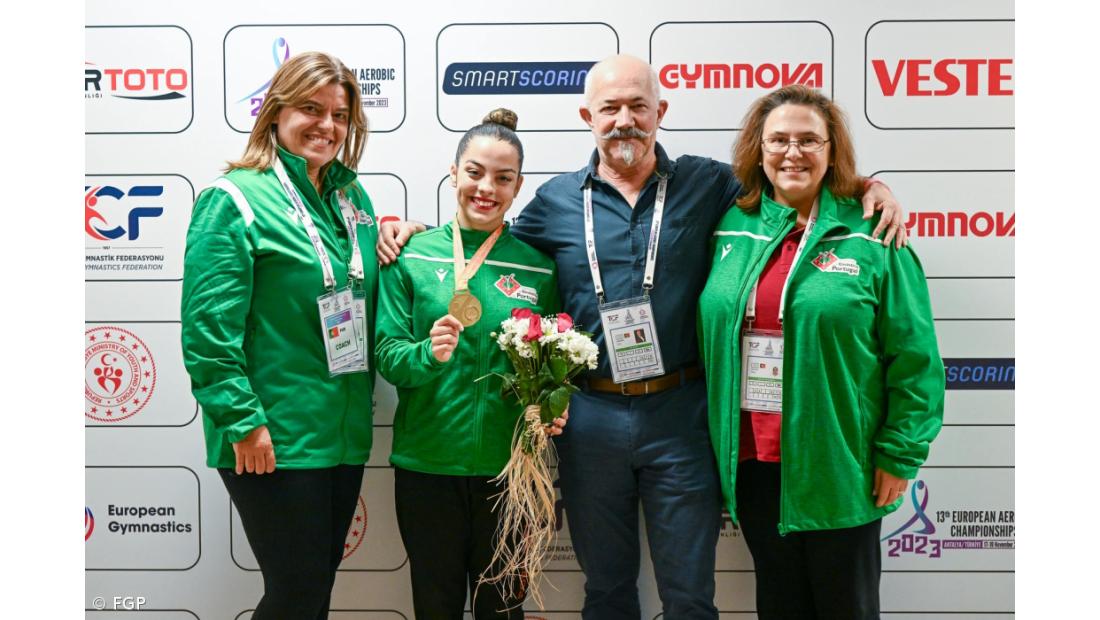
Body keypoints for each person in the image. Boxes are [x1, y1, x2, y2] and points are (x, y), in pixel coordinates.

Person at [378, 54, 906, 619]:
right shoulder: (555, 201)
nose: (624, 119)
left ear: (661, 111)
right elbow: (484, 236)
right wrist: (407, 230)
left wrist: (868, 188)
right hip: (590, 417)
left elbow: (790, 180)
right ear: (587, 115)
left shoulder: (711, 185)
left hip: (681, 414)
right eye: (610, 108)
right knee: (605, 588)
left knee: (687, 593)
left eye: (637, 106)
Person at [181, 51, 414, 619]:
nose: (327, 125)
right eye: (311, 108)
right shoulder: (234, 199)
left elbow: (362, 286)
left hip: (342, 432)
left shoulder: (351, 198)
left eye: (340, 114)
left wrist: (408, 235)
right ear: (275, 111)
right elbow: (208, 330)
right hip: (272, 438)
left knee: (310, 596)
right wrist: (243, 421)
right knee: (297, 596)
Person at [698, 84, 945, 619]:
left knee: (845, 608)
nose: (792, 152)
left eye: (809, 141)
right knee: (779, 605)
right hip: (755, 465)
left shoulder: (873, 232)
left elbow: (915, 356)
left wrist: (900, 453)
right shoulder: (729, 223)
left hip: (840, 465)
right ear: (757, 149)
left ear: (832, 151)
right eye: (778, 140)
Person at [375, 109, 566, 620]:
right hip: (427, 466)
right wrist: (426, 354)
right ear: (453, 173)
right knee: (434, 606)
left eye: (503, 178)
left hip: (511, 474)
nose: (487, 188)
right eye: (475, 172)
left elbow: (548, 363)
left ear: (519, 185)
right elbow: (389, 355)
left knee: (503, 611)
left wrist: (552, 403)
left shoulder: (538, 266)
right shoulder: (410, 255)